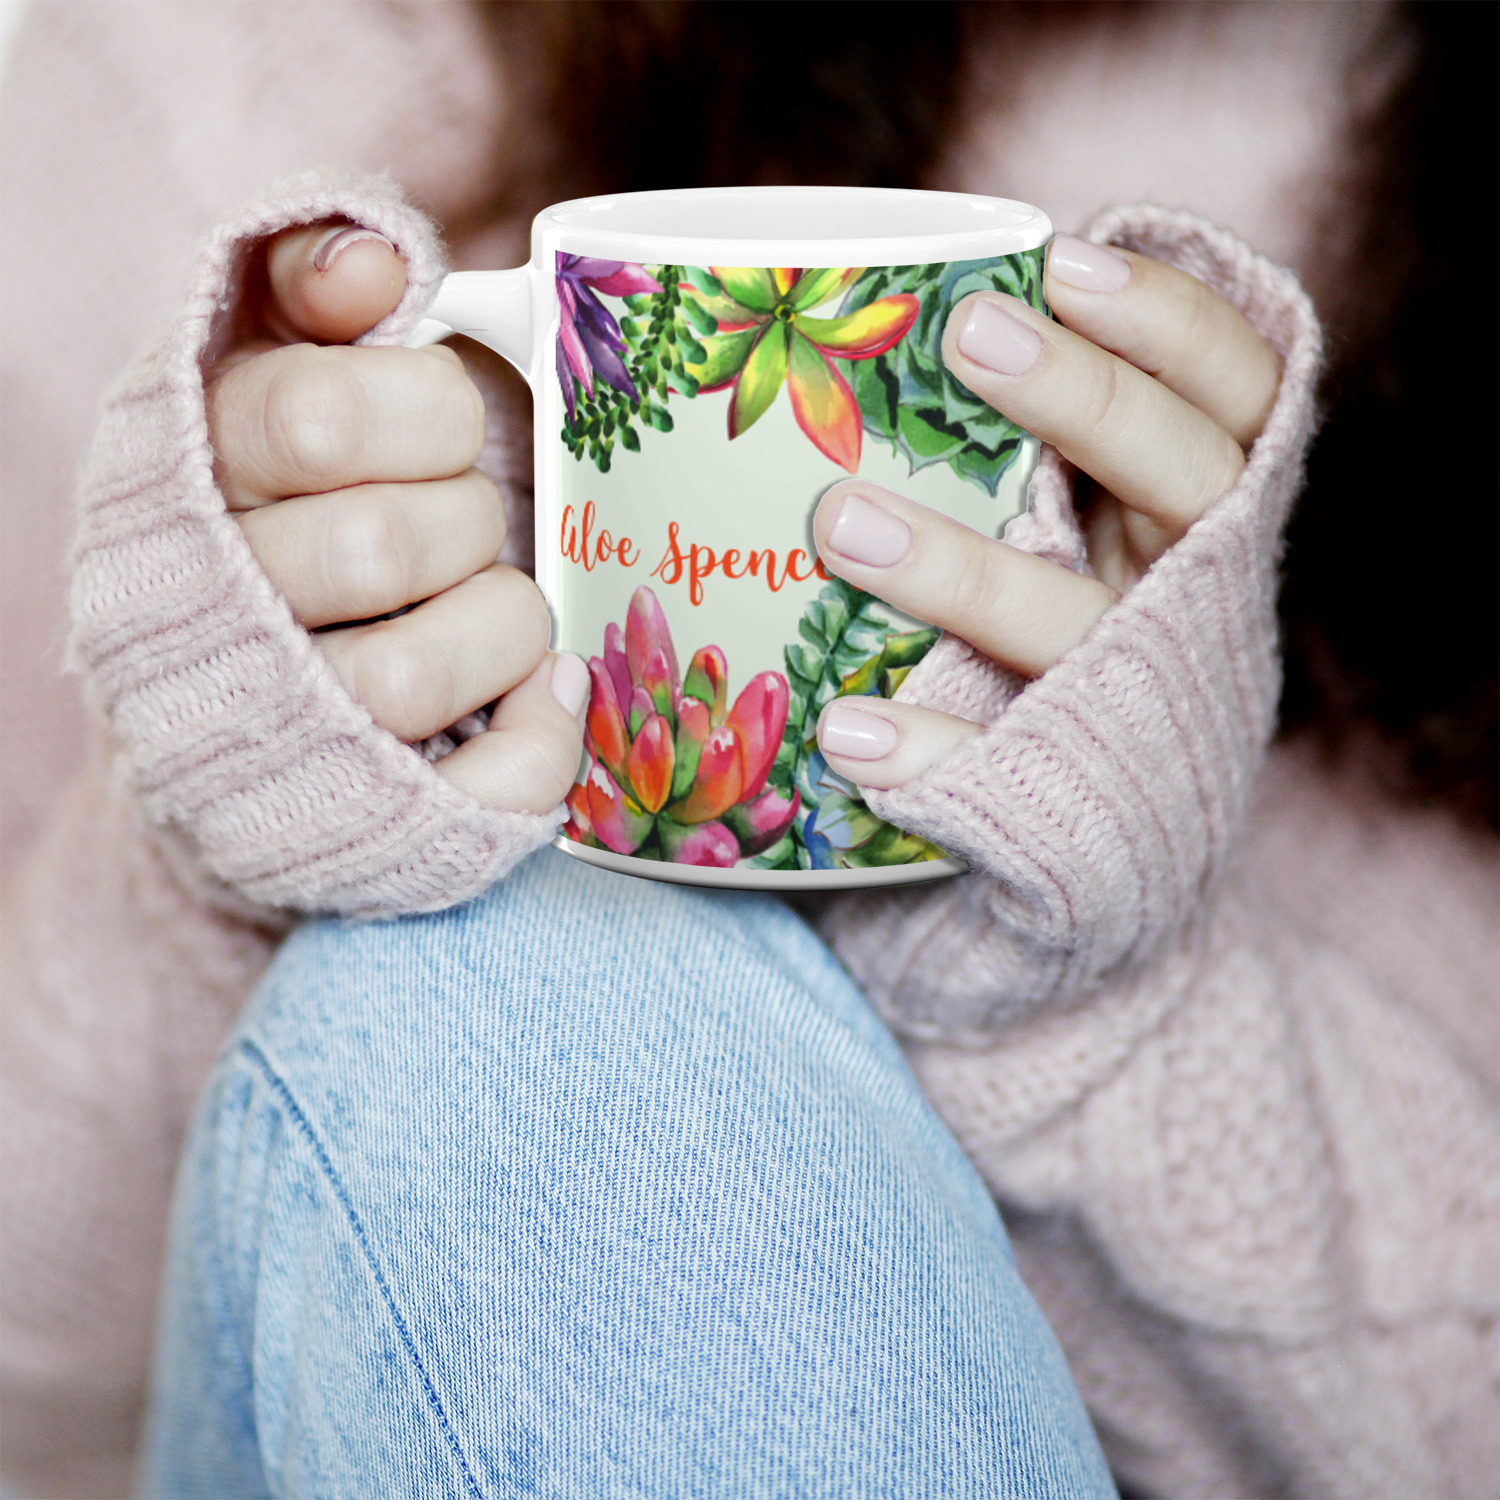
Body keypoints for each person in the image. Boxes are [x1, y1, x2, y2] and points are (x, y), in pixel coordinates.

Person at [1, 2, 1494, 1496]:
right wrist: (228, 822)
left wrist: (1101, 986)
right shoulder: (219, 70)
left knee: (558, 977)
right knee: (528, 965)